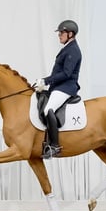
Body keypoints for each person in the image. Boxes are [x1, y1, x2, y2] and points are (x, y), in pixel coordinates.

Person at [36, 20, 82, 159]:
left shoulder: (73, 50)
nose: (59, 35)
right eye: (60, 33)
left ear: (70, 34)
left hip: (66, 87)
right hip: (58, 87)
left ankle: (55, 146)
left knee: (48, 109)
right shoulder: (67, 48)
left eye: (62, 33)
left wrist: (46, 80)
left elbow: (67, 73)